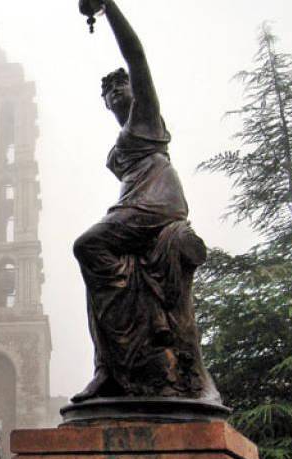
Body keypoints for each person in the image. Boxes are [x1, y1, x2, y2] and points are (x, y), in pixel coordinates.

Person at [71, 0, 217, 403]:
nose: (114, 96)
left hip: (157, 207)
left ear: (135, 92)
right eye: (108, 95)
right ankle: (111, 365)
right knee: (103, 277)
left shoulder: (146, 118)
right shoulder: (117, 149)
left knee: (89, 245)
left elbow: (135, 54)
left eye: (120, 88)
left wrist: (107, 7)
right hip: (135, 208)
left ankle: (111, 367)